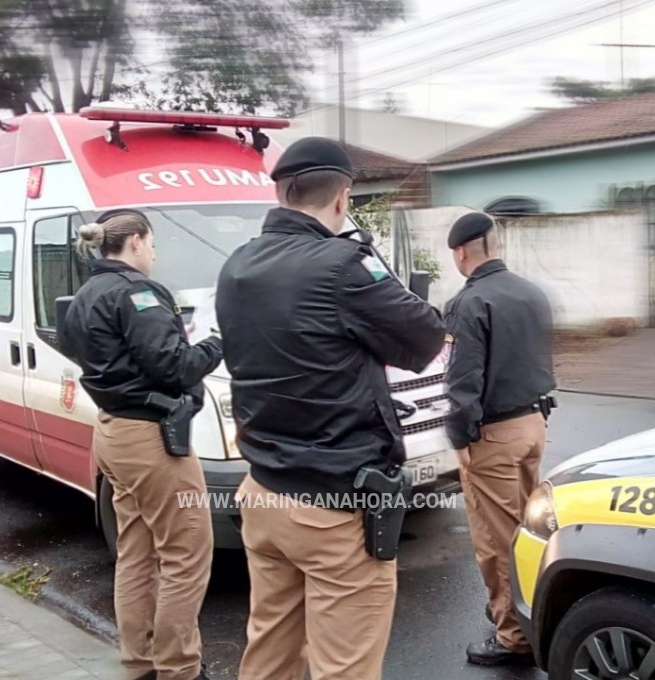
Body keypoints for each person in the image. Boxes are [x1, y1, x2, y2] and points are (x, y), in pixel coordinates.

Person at [214, 136, 446, 680]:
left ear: (280, 192)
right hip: (332, 505)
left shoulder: (238, 264)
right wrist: (366, 257)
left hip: (264, 490)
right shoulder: (345, 265)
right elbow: (424, 340)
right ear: (342, 199)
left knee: (270, 651)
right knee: (345, 667)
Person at [59, 209, 223, 680]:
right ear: (134, 241)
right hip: (151, 437)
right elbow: (175, 367)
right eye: (152, 243)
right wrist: (216, 343)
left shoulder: (88, 292)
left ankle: (141, 664)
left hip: (112, 430)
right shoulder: (138, 293)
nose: (154, 252)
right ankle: (179, 669)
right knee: (186, 552)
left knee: (137, 551)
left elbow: (92, 350)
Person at [443, 212, 557, 667]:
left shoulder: (468, 302)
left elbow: (462, 379)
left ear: (460, 252)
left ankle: (513, 636)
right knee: (532, 531)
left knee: (498, 539)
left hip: (493, 435)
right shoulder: (531, 292)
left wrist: (460, 436)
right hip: (534, 425)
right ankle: (528, 613)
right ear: (494, 244)